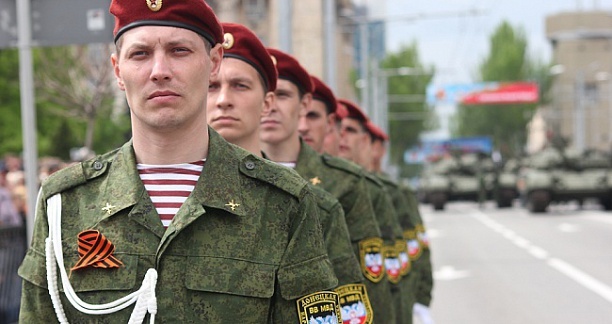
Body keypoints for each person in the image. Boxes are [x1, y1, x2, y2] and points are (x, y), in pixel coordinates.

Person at [18, 1, 340, 322]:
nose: (160, 71)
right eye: (140, 54)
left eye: (179, 51)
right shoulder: (66, 203)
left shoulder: (282, 203)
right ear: (118, 70)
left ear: (214, 62)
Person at [207, 22, 361, 322]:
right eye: (212, 86)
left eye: (240, 85)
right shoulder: (168, 196)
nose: (223, 99)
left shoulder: (307, 205)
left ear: (267, 103)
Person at [258, 47, 378, 323]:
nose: (272, 106)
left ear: (303, 104)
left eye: (283, 95)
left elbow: (362, 284)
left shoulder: (342, 185)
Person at [337, 99, 415, 324]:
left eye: (350, 130)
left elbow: (393, 267)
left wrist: (418, 300)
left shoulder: (383, 192)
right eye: (339, 128)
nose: (343, 136)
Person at [367, 121, 435, 324]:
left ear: (378, 149)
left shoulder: (394, 191)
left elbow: (415, 247)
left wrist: (421, 297)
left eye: (351, 131)